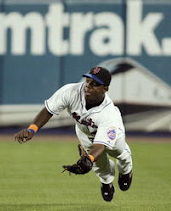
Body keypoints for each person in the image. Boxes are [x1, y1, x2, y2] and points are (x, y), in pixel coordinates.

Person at [14, 66, 133, 202]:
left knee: (118, 152)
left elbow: (100, 145)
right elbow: (49, 110)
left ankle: (126, 169)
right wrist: (31, 129)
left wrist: (89, 159)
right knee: (99, 164)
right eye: (88, 81)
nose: (88, 86)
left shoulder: (109, 114)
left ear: (105, 88)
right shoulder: (71, 91)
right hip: (84, 132)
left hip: (111, 132)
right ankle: (106, 182)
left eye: (95, 84)